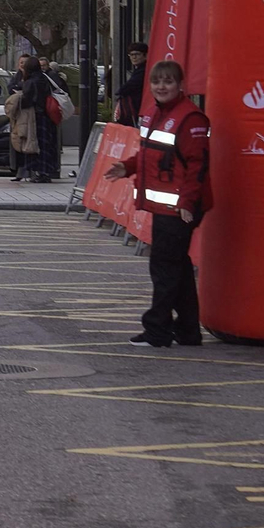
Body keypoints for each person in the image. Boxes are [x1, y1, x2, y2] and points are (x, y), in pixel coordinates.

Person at [104, 60, 211, 348]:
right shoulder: (154, 114)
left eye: (168, 82)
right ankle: (188, 331)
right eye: (157, 82)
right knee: (177, 267)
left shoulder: (191, 119)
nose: (161, 87)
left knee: (164, 267)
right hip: (168, 205)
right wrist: (127, 167)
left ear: (181, 86)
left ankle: (158, 329)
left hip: (180, 208)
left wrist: (187, 203)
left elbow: (197, 167)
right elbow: (150, 154)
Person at [20, 57, 59, 183]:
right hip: (47, 116)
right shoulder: (44, 78)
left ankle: (39, 172)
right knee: (46, 144)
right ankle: (45, 172)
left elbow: (27, 100)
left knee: (35, 144)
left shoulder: (30, 81)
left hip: (36, 116)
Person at [115, 42, 148, 126]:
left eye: (137, 54)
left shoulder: (143, 70)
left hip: (139, 108)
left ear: (145, 55)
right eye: (131, 55)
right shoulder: (139, 69)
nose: (134, 57)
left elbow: (128, 87)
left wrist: (121, 91)